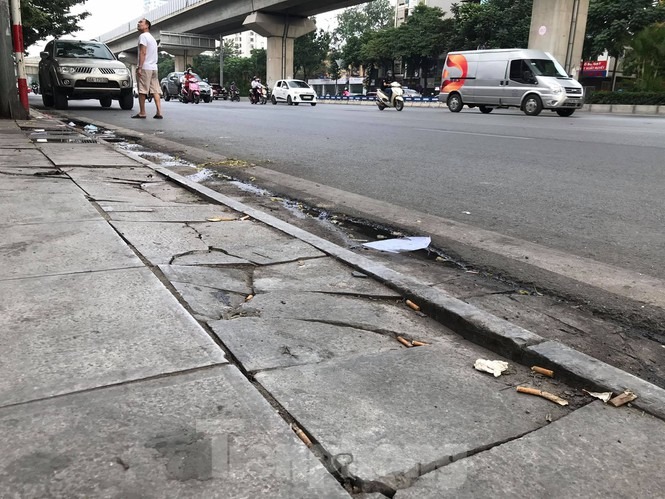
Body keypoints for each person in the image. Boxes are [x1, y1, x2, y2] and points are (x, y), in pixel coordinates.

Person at [133, 18, 162, 119]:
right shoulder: (152, 38)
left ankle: (142, 112)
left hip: (145, 67)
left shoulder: (143, 36)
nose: (138, 23)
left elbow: (143, 52)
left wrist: (140, 67)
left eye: (141, 22)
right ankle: (159, 112)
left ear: (147, 26)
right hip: (154, 68)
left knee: (142, 90)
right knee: (155, 90)